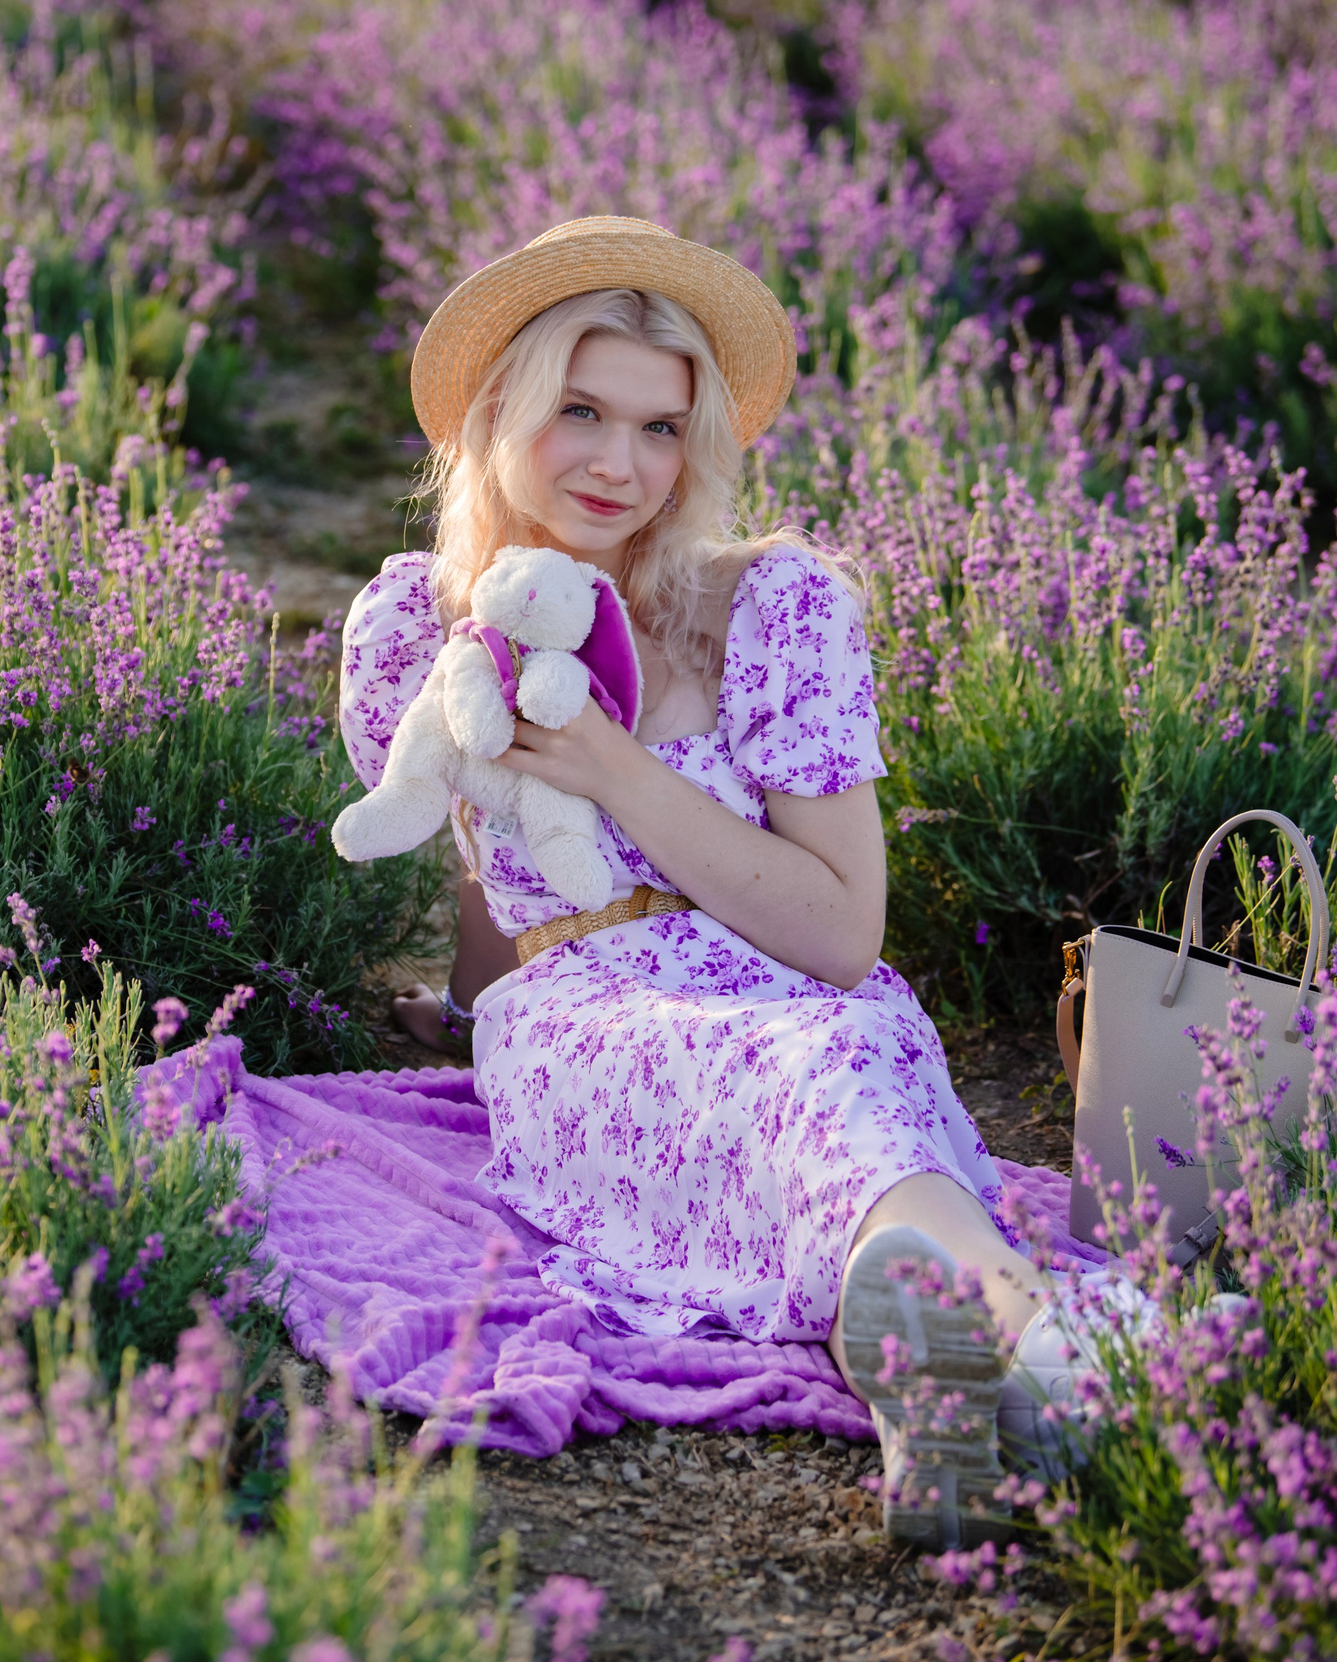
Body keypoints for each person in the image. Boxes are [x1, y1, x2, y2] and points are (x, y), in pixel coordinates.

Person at [339, 217, 1131, 1549]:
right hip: (587, 1027)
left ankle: (953, 1352)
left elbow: (837, 936)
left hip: (799, 993)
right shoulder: (421, 625)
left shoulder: (772, 604)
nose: (620, 464)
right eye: (581, 411)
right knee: (797, 1082)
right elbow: (498, 896)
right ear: (500, 412)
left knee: (837, 1055)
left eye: (662, 429)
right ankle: (1033, 1358)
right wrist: (464, 1010)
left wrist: (611, 767)